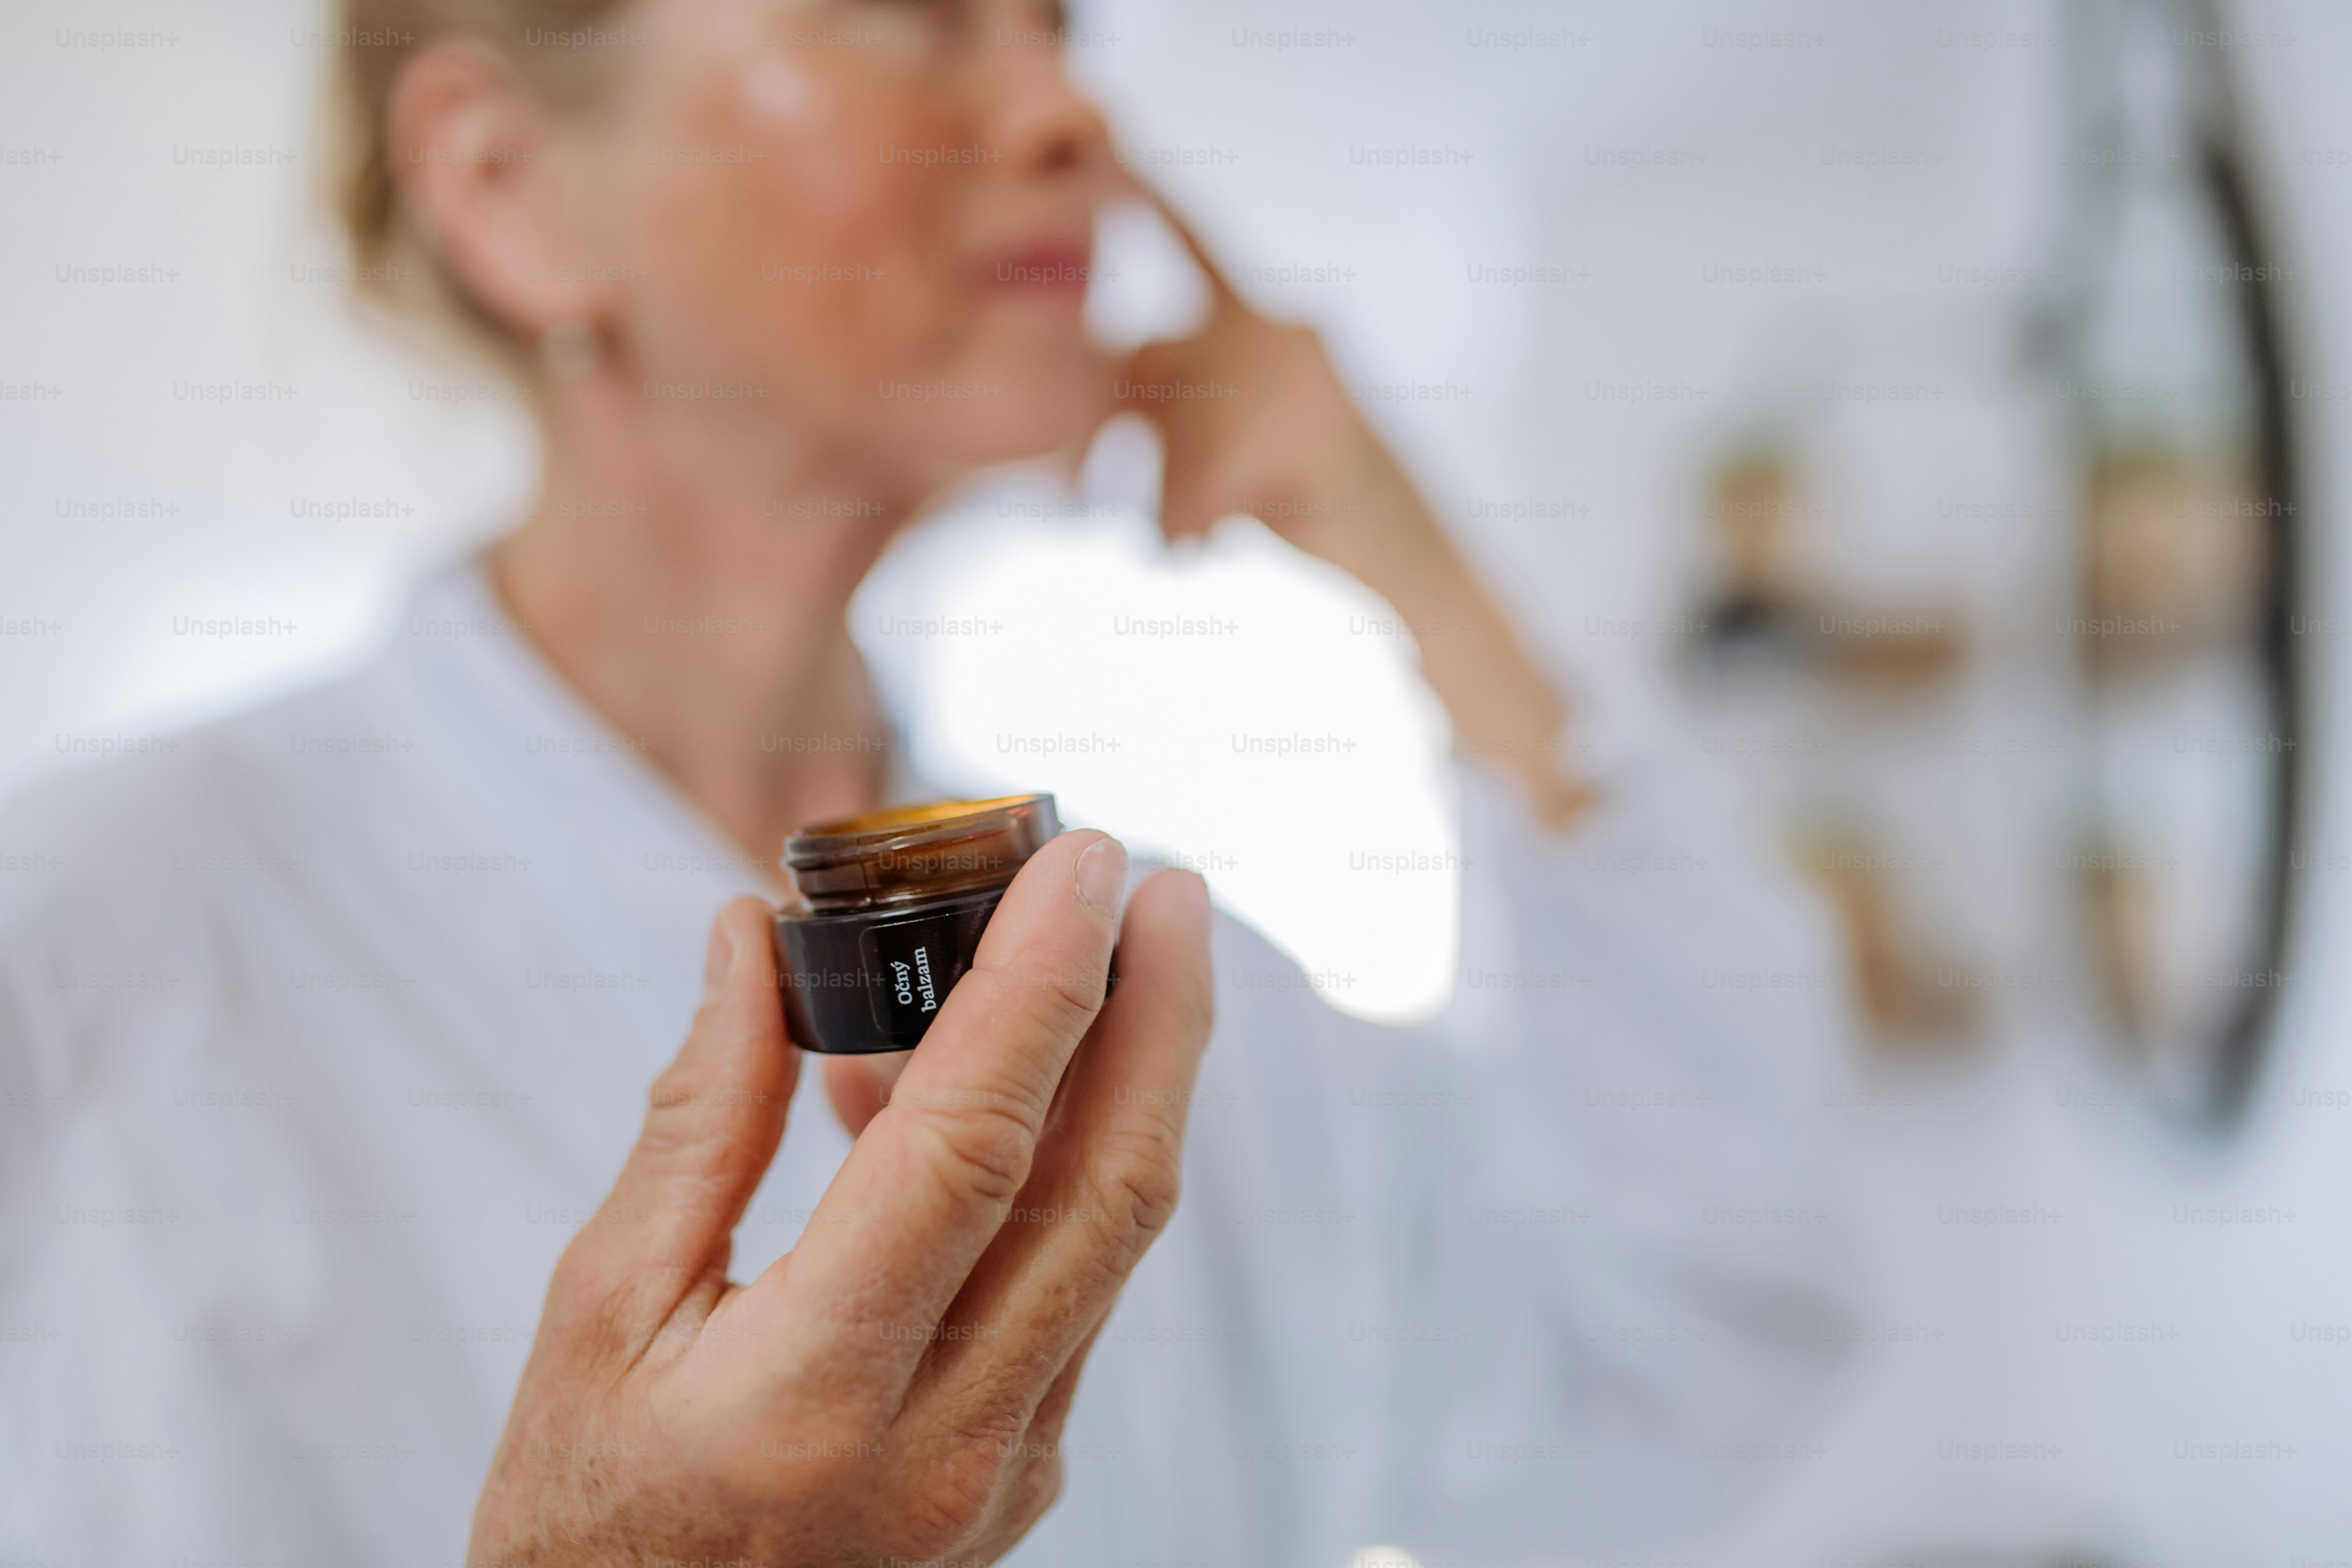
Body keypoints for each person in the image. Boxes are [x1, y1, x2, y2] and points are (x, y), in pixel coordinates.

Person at [0, 1, 1857, 1563]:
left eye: (1056, 23)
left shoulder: (1167, 990)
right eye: (910, 10)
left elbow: (1700, 1328)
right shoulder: (92, 944)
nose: (1065, 106)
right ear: (512, 190)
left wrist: (1441, 601)